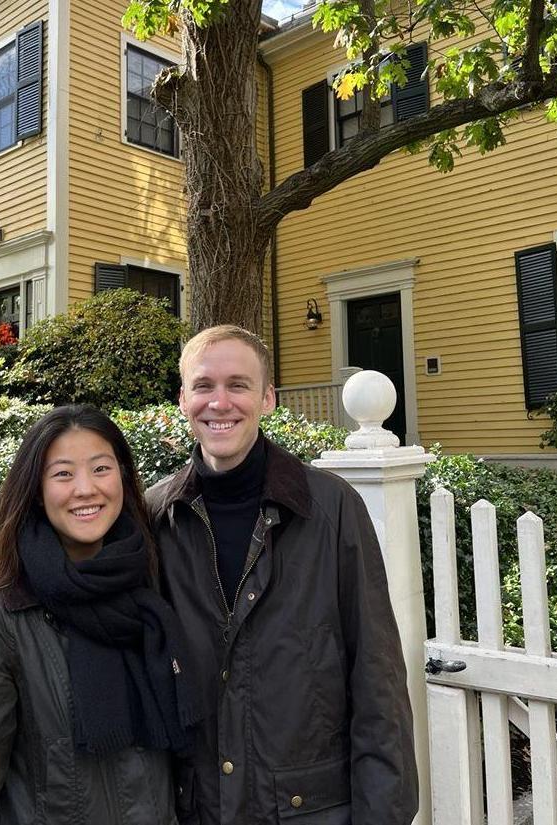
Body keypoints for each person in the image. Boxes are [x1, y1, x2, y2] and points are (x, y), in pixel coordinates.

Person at [146, 326, 418, 825]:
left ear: (268, 398)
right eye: (204, 386)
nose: (220, 402)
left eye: (239, 385)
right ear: (183, 399)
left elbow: (377, 675)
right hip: (196, 806)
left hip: (310, 809)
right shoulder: (158, 516)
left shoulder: (331, 509)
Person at [0, 404, 202, 825]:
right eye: (63, 474)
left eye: (101, 468)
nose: (86, 489)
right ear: (36, 490)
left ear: (122, 476)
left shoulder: (148, 591)